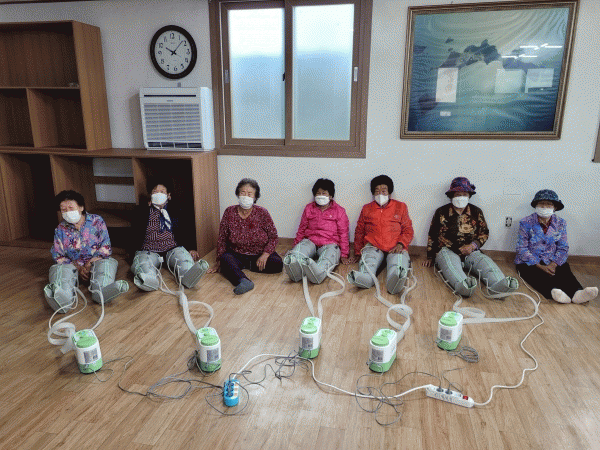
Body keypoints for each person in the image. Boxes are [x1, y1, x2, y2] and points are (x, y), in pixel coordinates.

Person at [423, 177, 518, 297]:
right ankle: (464, 286)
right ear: (452, 196)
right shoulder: (441, 212)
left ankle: (500, 286)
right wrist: (430, 257)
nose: (461, 197)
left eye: (464, 194)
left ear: (469, 196)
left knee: (486, 263)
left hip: (471, 251)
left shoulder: (476, 212)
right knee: (451, 267)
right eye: (458, 194)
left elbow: (484, 233)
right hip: (447, 250)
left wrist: (472, 246)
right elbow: (432, 234)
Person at [44, 190, 129, 313]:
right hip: (73, 267)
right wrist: (78, 268)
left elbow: (106, 246)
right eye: (63, 210)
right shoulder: (60, 229)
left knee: (107, 263)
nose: (67, 212)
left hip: (96, 261)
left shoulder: (97, 221)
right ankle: (61, 300)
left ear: (81, 207)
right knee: (59, 269)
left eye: (71, 208)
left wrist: (90, 263)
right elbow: (58, 255)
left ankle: (102, 292)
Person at [515, 189, 598, 304]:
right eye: (541, 204)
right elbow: (521, 248)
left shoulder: (561, 223)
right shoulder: (525, 222)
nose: (544, 207)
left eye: (549, 204)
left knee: (564, 271)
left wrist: (553, 264)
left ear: (555, 208)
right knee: (535, 275)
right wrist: (541, 266)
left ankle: (577, 292)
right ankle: (553, 292)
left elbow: (563, 247)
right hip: (529, 261)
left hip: (552, 258)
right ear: (536, 206)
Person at [129, 180, 208, 291]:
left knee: (183, 259)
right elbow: (133, 234)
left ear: (169, 195)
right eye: (155, 192)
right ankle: (148, 281)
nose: (158, 194)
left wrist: (191, 247)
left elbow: (186, 229)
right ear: (150, 195)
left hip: (172, 248)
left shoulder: (177, 210)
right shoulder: (141, 211)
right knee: (143, 264)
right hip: (148, 250)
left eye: (162, 192)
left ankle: (189, 277)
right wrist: (133, 254)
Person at [208, 178, 283, 295]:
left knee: (277, 264)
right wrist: (219, 260)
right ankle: (243, 280)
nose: (245, 196)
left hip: (258, 253)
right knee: (225, 259)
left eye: (249, 194)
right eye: (242, 193)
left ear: (255, 197)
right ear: (238, 194)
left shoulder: (262, 212)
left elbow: (273, 237)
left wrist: (265, 254)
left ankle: (242, 266)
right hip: (236, 253)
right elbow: (222, 238)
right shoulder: (229, 212)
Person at [347, 175, 413, 294]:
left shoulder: (400, 207)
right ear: (373, 193)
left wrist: (401, 244)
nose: (380, 194)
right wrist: (357, 252)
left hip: (395, 247)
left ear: (389, 192)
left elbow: (408, 230)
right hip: (373, 246)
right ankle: (365, 279)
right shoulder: (367, 208)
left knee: (397, 267)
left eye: (383, 191)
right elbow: (359, 231)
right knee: (368, 265)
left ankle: (396, 281)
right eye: (377, 191)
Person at [284, 178, 350, 284]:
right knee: (295, 256)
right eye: (318, 193)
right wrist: (294, 247)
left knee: (328, 258)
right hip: (310, 242)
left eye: (324, 193)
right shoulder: (309, 208)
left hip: (330, 244)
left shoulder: (339, 211)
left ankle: (317, 274)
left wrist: (344, 254)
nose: (320, 196)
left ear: (330, 196)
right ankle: (295, 274)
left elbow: (343, 233)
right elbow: (302, 229)